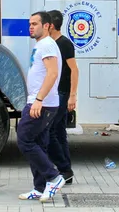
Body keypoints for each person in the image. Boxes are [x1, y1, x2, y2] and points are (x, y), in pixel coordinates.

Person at [18, 11, 65, 202]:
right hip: (40, 102)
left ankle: (53, 177)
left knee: (24, 139)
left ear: (47, 26)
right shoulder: (42, 45)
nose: (31, 27)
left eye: (35, 23)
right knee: (39, 144)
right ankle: (39, 187)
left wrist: (38, 99)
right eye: (30, 24)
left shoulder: (47, 45)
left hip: (42, 104)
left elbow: (52, 74)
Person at [47, 10, 79, 184]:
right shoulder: (51, 44)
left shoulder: (64, 44)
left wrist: (72, 96)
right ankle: (66, 171)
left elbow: (74, 69)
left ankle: (63, 167)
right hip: (54, 93)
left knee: (50, 130)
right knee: (59, 132)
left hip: (62, 94)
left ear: (51, 25)